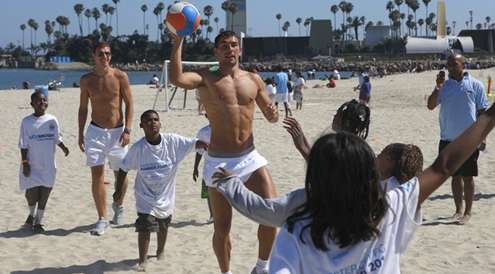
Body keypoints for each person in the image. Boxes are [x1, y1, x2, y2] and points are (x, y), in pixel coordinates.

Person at [217, 100, 495, 274]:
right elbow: (444, 166)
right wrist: (490, 116)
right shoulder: (391, 205)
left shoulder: (299, 225)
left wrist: (230, 184)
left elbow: (262, 210)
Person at [170, 30, 279, 274]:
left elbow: (270, 113)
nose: (230, 50)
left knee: (271, 213)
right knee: (222, 228)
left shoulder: (253, 79)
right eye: (224, 46)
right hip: (219, 162)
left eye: (233, 45)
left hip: (249, 157)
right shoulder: (206, 77)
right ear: (216, 52)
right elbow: (176, 78)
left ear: (239, 49)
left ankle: (261, 267)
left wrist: (273, 114)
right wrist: (178, 43)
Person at [215, 100, 371, 227]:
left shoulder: (337, 146)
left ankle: (230, 183)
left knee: (268, 211)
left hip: (322, 200)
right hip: (342, 207)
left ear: (345, 120)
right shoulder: (362, 149)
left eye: (337, 114)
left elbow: (325, 171)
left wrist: (302, 145)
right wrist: (301, 141)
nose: (334, 116)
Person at [113, 110, 207, 271]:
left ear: (160, 123)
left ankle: (160, 252)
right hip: (145, 195)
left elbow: (197, 144)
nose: (153, 123)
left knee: (163, 225)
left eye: (156, 120)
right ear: (141, 125)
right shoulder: (138, 149)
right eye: (148, 121)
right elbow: (123, 168)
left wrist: (213, 146)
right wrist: (118, 190)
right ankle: (142, 260)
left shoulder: (173, 142)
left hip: (166, 195)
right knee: (145, 225)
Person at [78, 41, 134, 235]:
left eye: (108, 54)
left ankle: (118, 205)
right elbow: (83, 108)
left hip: (118, 132)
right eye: (101, 54)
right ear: (94, 56)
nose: (105, 57)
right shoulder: (86, 80)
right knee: (97, 175)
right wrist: (80, 133)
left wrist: (128, 130)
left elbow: (129, 104)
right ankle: (102, 218)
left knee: (121, 174)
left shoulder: (120, 76)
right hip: (95, 132)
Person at [427, 53, 488, 225]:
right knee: (453, 176)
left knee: (468, 177)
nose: (451, 67)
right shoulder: (444, 86)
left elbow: (482, 112)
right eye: (448, 65)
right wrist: (437, 86)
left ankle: (468, 212)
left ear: (463, 64)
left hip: (469, 139)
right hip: (447, 139)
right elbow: (431, 105)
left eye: (454, 64)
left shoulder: (476, 85)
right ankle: (458, 210)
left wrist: (482, 137)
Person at [19, 91, 69, 233]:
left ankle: (38, 222)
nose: (42, 103)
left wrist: (64, 147)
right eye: (38, 101)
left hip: (49, 165)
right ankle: (31, 214)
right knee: (31, 194)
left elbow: (57, 137)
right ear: (32, 104)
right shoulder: (26, 122)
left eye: (44, 100)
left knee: (45, 193)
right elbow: (23, 144)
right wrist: (25, 162)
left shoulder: (52, 120)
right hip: (32, 164)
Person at [193, 115, 214, 223]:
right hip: (208, 167)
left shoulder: (225, 129)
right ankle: (212, 215)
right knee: (208, 192)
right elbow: (199, 151)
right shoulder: (203, 132)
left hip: (224, 167)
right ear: (206, 116)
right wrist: (195, 167)